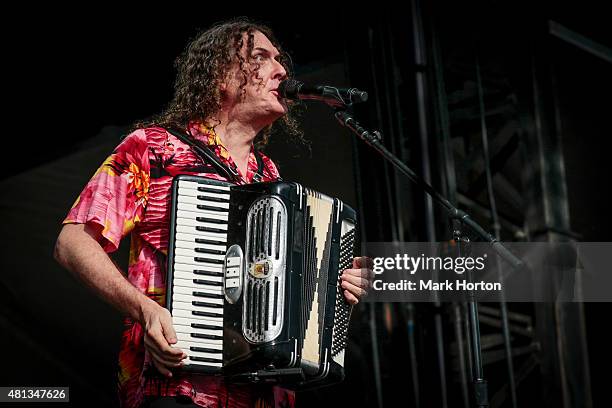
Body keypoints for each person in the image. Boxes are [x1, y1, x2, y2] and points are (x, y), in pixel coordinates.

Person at [54, 17, 372, 408]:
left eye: (280, 59)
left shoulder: (268, 177)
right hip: (175, 385)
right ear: (221, 76)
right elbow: (72, 243)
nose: (282, 70)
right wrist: (146, 310)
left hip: (261, 395)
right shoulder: (154, 148)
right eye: (261, 57)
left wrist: (336, 289)